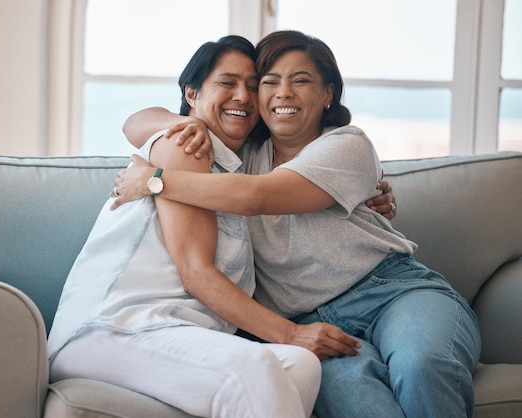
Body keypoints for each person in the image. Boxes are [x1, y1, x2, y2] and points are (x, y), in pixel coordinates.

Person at [113, 30, 481, 418]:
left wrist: (154, 180)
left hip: (391, 294)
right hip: (303, 321)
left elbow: (258, 198)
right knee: (361, 404)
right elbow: (135, 122)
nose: (284, 92)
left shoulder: (347, 145)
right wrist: (189, 122)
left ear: (327, 95)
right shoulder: (239, 153)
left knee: (421, 368)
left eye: (300, 80)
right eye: (270, 82)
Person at [47, 35, 327, 418]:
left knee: (301, 365)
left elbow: (305, 178)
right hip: (112, 329)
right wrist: (291, 333)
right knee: (256, 367)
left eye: (251, 85)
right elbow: (196, 274)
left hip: (178, 334)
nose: (243, 97)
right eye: (228, 83)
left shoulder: (241, 169)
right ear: (192, 93)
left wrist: (370, 189)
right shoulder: (185, 144)